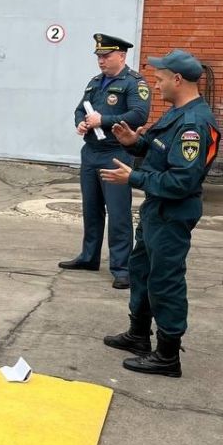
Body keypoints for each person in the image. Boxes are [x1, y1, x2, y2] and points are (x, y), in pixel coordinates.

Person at [100, 49, 221, 378]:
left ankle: (167, 356)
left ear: (178, 79)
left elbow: (181, 180)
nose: (156, 85)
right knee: (142, 272)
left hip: (173, 209)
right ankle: (139, 335)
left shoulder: (195, 124)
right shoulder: (177, 114)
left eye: (160, 79)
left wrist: (133, 177)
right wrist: (134, 144)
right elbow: (160, 154)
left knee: (165, 281)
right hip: (157, 209)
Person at [59, 34, 151, 290]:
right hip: (91, 152)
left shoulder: (134, 83)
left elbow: (139, 114)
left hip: (115, 154)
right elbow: (82, 108)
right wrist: (80, 121)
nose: (101, 61)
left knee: (119, 212)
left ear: (121, 56)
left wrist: (104, 121)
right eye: (99, 56)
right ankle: (89, 257)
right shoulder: (95, 82)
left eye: (106, 56)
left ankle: (122, 268)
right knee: (91, 208)